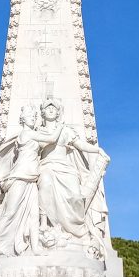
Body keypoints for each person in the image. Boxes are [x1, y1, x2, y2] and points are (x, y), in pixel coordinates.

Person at [0, 105, 60, 262]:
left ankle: (35, 247)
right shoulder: (27, 133)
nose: (33, 119)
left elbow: (45, 145)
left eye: (34, 117)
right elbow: (51, 139)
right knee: (10, 213)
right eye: (30, 116)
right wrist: (60, 126)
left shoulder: (33, 135)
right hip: (19, 177)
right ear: (23, 119)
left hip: (31, 178)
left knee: (34, 214)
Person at [36, 98, 109, 248]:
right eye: (48, 108)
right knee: (45, 181)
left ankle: (76, 231)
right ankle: (44, 223)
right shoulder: (38, 131)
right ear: (42, 112)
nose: (51, 110)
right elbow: (42, 145)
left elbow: (80, 145)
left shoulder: (66, 130)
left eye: (54, 108)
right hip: (47, 165)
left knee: (76, 196)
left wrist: (97, 149)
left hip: (66, 168)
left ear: (58, 113)